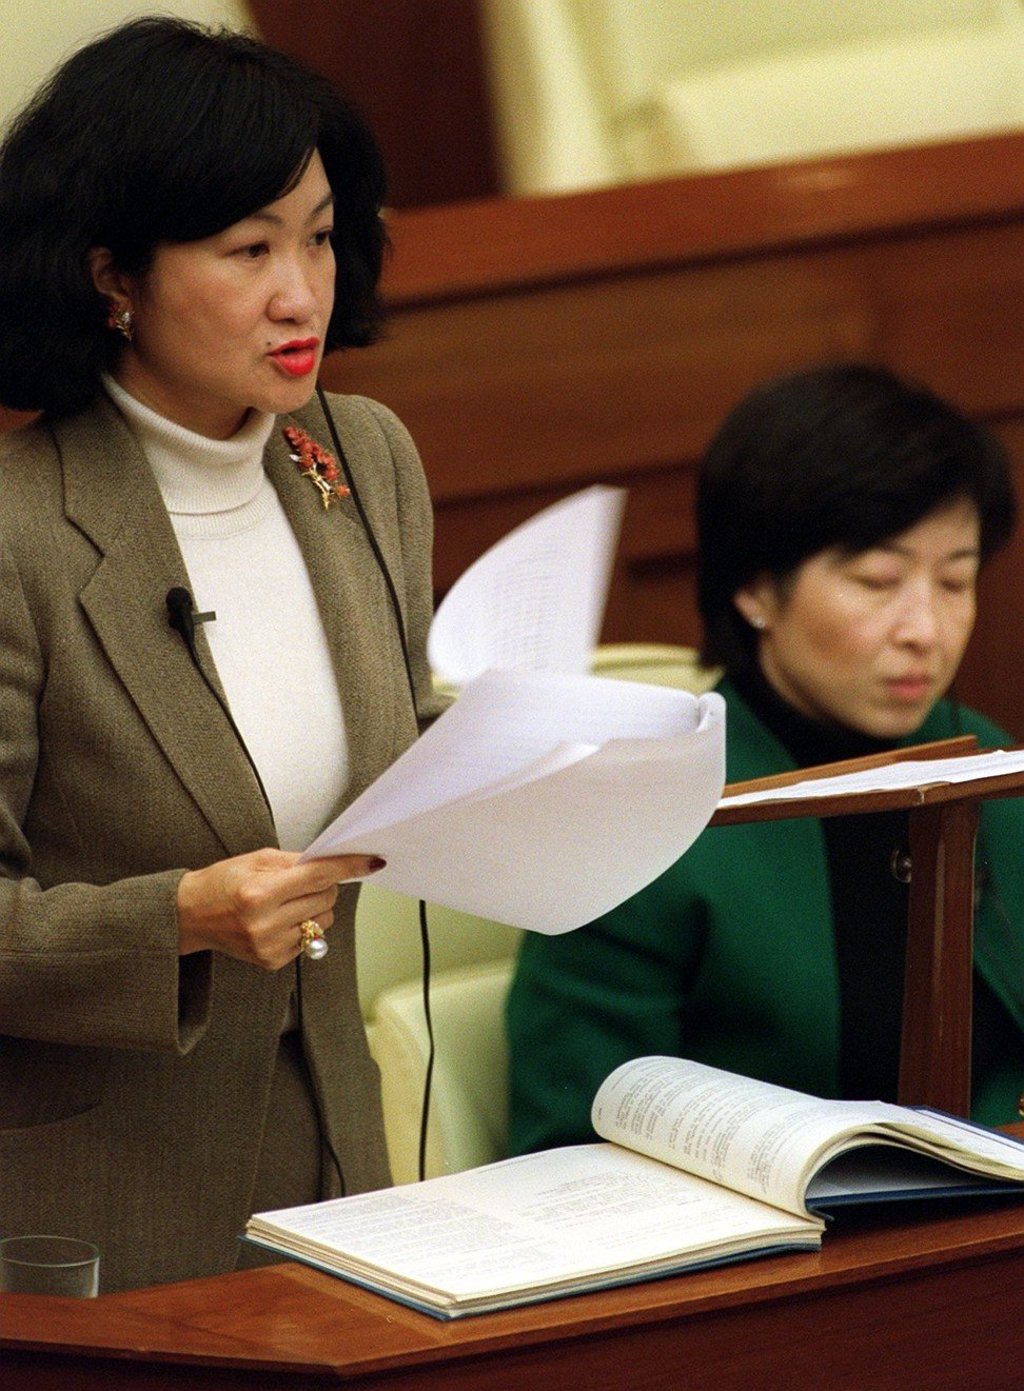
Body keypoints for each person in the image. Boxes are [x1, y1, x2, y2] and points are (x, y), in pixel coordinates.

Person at [0, 18, 442, 1291]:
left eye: (315, 233)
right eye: (247, 248)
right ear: (112, 275)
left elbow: (395, 741)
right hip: (93, 1218)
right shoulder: (20, 531)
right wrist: (180, 916)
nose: (300, 290)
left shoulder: (359, 459)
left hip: (345, 1175)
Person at [507, 363, 1024, 1155]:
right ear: (755, 588)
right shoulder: (638, 813)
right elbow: (570, 1141)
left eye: (956, 580)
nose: (927, 627)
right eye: (878, 579)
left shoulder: (993, 771)